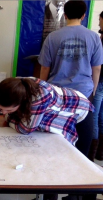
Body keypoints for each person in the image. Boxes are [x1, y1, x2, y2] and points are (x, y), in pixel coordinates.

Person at [38, 0, 103, 161]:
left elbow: (45, 68)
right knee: (83, 133)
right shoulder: (94, 37)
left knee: (56, 132)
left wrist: (41, 89)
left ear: (65, 15)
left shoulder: (52, 37)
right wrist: (93, 90)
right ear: (83, 15)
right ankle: (83, 165)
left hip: (58, 94)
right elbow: (97, 68)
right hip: (83, 93)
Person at [0, 77, 93, 153]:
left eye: (8, 110)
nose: (2, 113)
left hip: (78, 109)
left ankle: (78, 196)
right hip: (49, 108)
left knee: (79, 157)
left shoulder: (39, 97)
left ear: (21, 103)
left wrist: (9, 119)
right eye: (1, 109)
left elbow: (26, 129)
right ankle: (50, 196)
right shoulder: (8, 90)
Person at [91, 11, 103, 161]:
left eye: (100, 20)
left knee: (93, 117)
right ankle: (100, 153)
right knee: (101, 118)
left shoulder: (101, 39)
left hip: (100, 81)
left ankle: (90, 155)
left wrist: (93, 86)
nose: (99, 23)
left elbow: (98, 65)